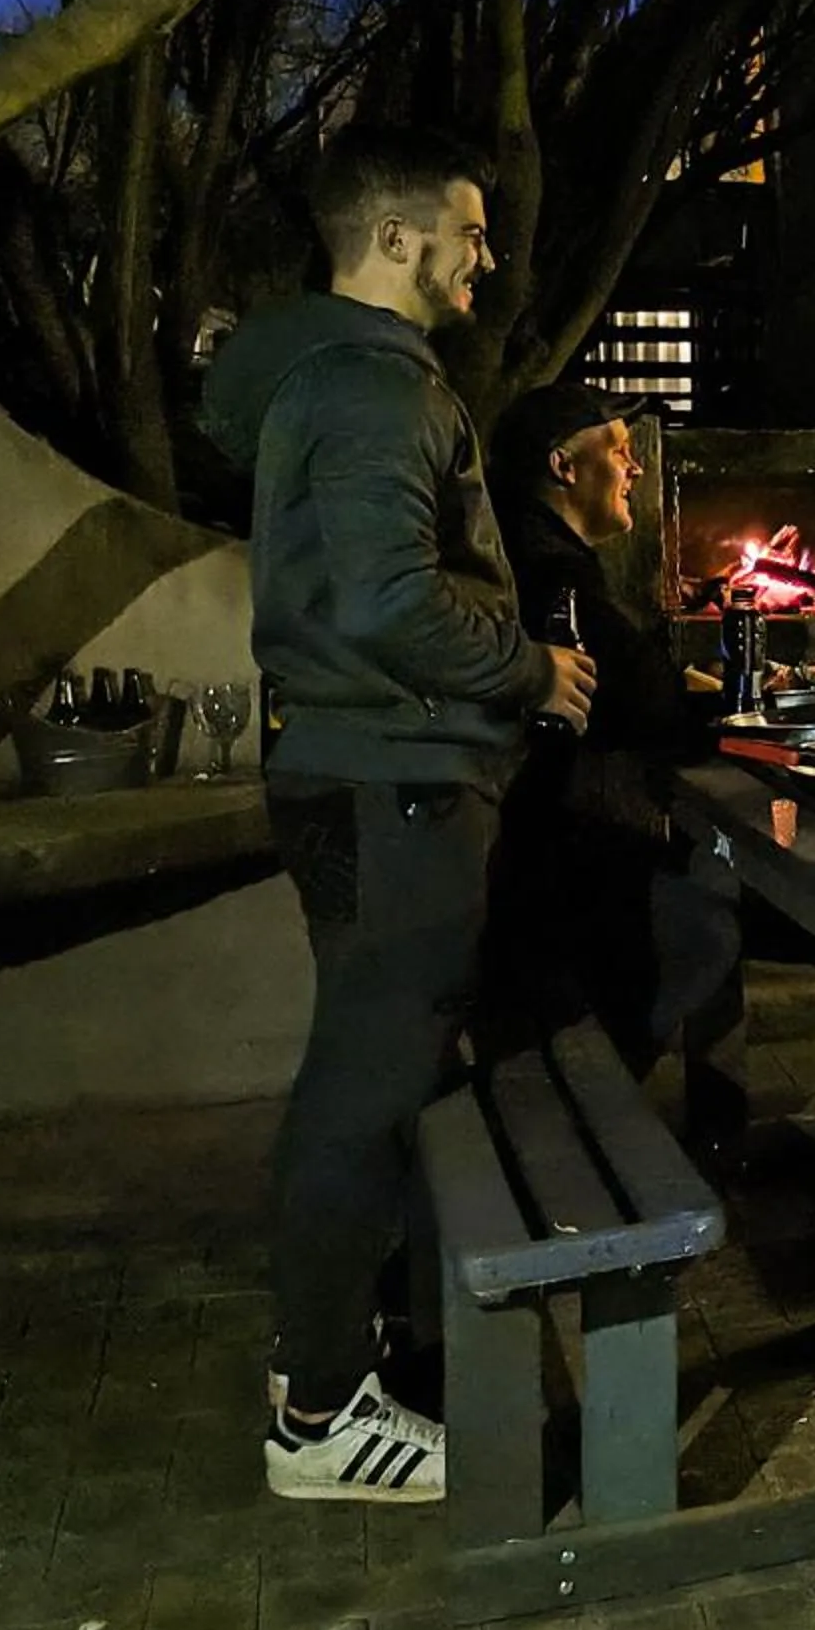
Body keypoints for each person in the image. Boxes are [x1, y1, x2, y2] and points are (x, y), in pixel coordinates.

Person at [200, 123, 597, 1505]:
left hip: (363, 771)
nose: (487, 255)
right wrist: (532, 668)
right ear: (394, 238)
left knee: (369, 1071)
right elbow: (387, 601)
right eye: (469, 231)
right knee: (365, 1085)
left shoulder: (334, 380)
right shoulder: (374, 391)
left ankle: (320, 1364)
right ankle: (319, 1417)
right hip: (400, 778)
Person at [482, 381, 708, 1072]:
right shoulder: (554, 580)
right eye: (618, 450)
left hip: (548, 866)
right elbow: (644, 703)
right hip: (564, 879)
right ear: (564, 466)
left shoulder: (547, 563)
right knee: (707, 922)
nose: (635, 468)